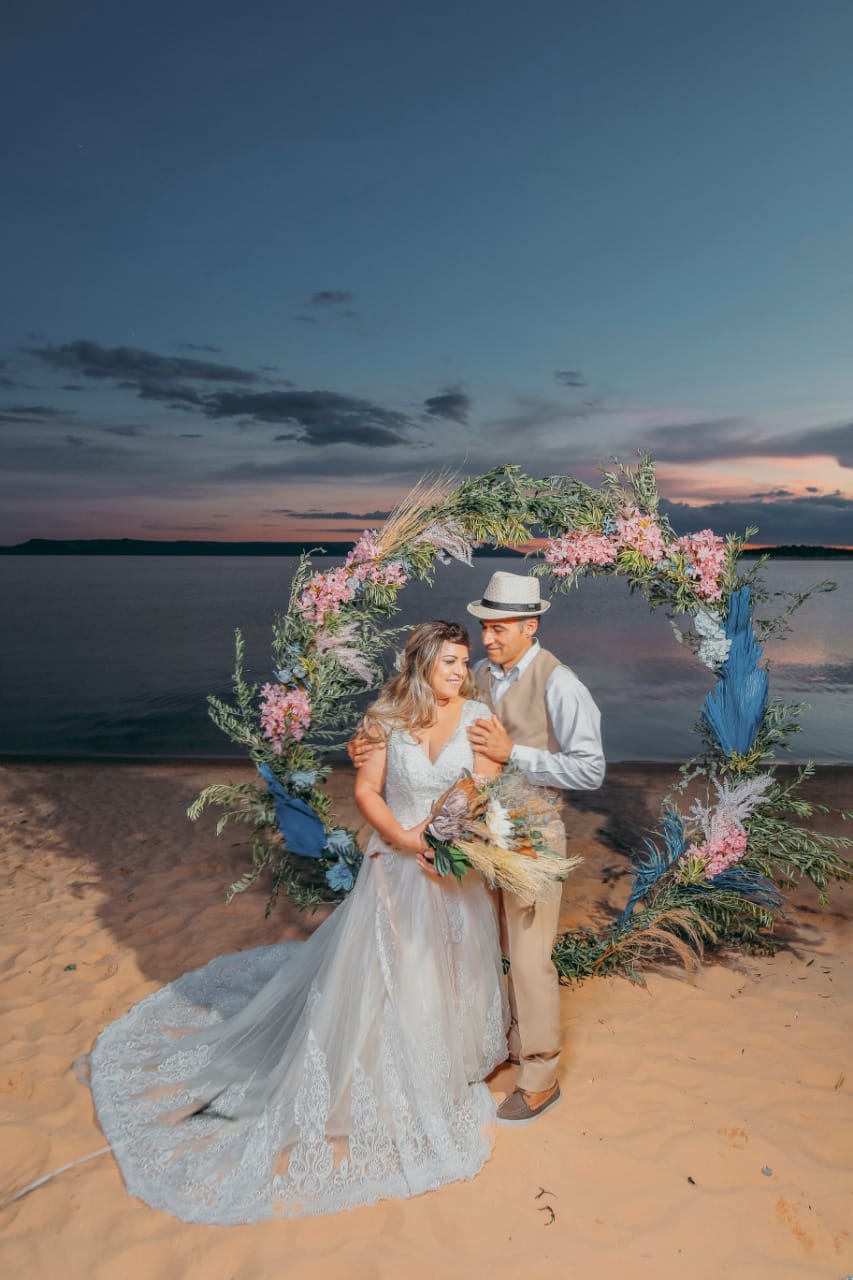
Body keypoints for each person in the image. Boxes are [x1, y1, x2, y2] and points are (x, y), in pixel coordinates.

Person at [84, 620, 509, 1224]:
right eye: (450, 662)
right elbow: (367, 791)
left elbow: (482, 781)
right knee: (401, 963)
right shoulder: (385, 719)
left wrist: (446, 831)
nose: (461, 672)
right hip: (396, 864)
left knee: (455, 962)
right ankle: (402, 1067)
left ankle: (454, 1059)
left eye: (464, 662)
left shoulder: (479, 717)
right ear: (421, 665)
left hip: (452, 865)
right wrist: (403, 837)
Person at [351, 571, 605, 1126]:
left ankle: (540, 1079)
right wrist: (369, 743)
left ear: (530, 626)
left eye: (499, 628)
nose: (487, 639)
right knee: (492, 946)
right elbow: (431, 720)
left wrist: (518, 755)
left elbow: (591, 769)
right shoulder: (480, 675)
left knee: (532, 959)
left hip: (531, 838)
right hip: (476, 836)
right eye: (484, 627)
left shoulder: (561, 684)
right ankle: (505, 1043)